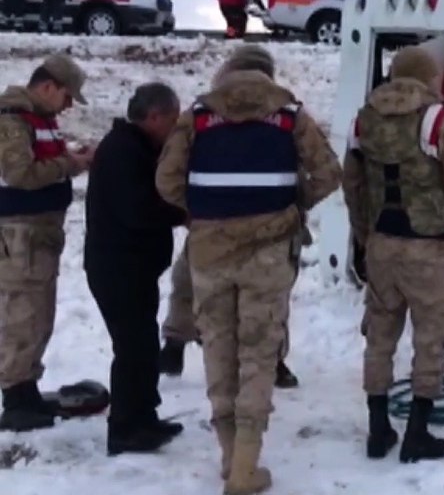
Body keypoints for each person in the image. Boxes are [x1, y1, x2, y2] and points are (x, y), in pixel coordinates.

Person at [156, 44, 341, 493]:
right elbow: (329, 174)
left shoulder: (198, 116)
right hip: (269, 252)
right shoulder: (289, 115)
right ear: (267, 74)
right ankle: (245, 467)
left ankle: (227, 456)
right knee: (259, 356)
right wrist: (292, 209)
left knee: (218, 350)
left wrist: (202, 213)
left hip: (210, 251)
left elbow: (166, 181)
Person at [342, 45, 444, 463]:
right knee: (431, 335)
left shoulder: (363, 119)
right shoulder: (434, 119)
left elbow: (350, 181)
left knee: (380, 334)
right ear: (427, 78)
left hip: (382, 243)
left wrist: (362, 232)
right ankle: (418, 432)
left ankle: (377, 429)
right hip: (428, 245)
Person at [84, 83, 187, 454]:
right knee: (132, 348)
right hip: (118, 267)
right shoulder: (123, 152)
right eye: (172, 120)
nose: (175, 128)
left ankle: (144, 417)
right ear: (154, 116)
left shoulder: (135, 147)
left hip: (133, 267)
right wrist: (185, 212)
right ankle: (124, 428)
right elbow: (140, 210)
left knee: (142, 345)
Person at [0, 54, 94, 431]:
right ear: (48, 87)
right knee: (23, 315)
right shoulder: (12, 120)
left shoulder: (39, 121)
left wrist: (69, 155)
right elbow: (20, 172)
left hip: (39, 234)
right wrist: (72, 165)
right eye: (68, 97)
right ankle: (16, 395)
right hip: (22, 234)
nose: (69, 105)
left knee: (37, 314)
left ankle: (26, 388)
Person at [158, 240, 302, 389]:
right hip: (212, 224)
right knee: (187, 275)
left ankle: (270, 357)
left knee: (265, 289)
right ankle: (175, 345)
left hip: (267, 226)